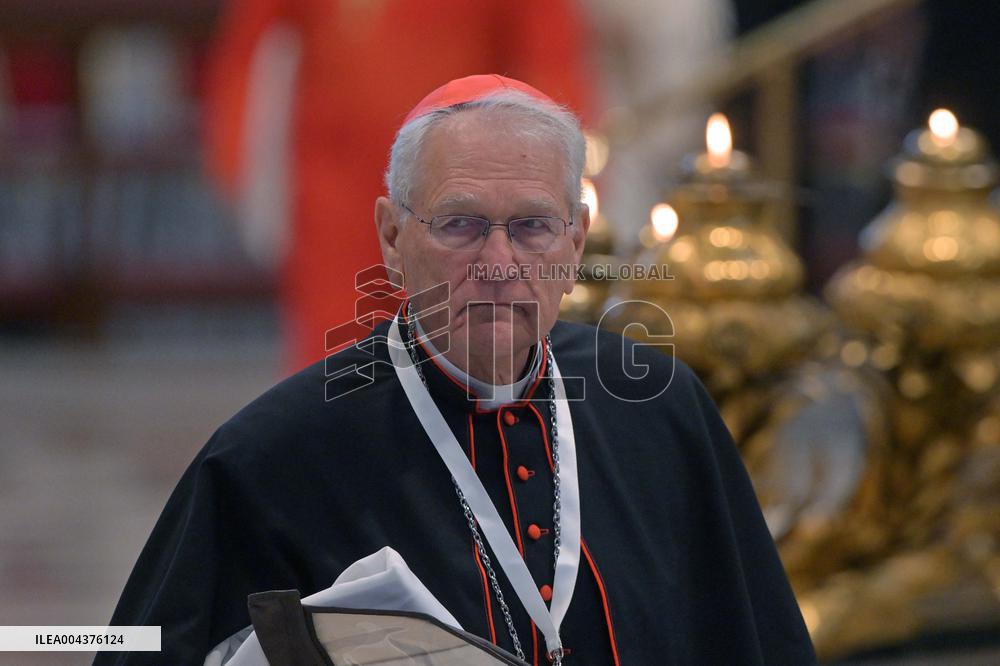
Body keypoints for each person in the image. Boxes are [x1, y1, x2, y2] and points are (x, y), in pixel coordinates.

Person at [97, 75, 816, 665]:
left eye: (532, 226)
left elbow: (759, 640)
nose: (499, 263)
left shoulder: (659, 407)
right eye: (461, 224)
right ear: (392, 238)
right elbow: (132, 647)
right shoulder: (274, 451)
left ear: (576, 242)